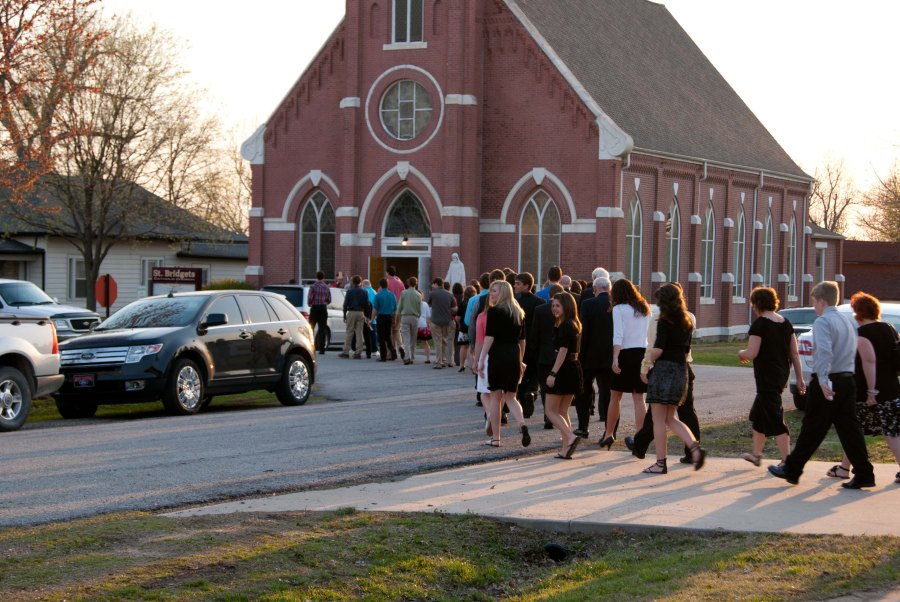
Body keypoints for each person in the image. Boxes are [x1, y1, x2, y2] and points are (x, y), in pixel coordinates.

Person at [769, 281, 875, 488]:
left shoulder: (823, 322)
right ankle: (864, 473)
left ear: (821, 301)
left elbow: (825, 351)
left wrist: (824, 379)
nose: (814, 306)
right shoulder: (847, 322)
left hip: (829, 381)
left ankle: (792, 469)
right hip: (847, 380)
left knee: (813, 427)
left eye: (814, 302)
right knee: (849, 430)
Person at [827, 292, 900, 483]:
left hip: (868, 392)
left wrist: (871, 391)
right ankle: (844, 468)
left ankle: (845, 468)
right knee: (886, 431)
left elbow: (869, 361)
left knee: (856, 431)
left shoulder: (862, 335)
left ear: (858, 313)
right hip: (892, 388)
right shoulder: (889, 329)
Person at [628, 283, 701, 465]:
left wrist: (647, 362)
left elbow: (656, 349)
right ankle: (694, 447)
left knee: (658, 420)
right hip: (681, 370)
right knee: (672, 418)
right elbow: (686, 351)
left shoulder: (662, 321)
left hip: (663, 372)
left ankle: (660, 463)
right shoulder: (687, 321)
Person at [737, 287, 805, 467]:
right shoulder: (786, 323)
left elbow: (752, 353)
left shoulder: (759, 324)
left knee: (775, 418)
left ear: (757, 304)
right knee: (760, 415)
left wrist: (741, 353)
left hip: (766, 378)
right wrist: (800, 378)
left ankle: (787, 461)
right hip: (781, 375)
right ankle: (756, 455)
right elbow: (795, 353)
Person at [477, 280, 530, 447]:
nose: (490, 293)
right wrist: (521, 360)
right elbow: (522, 341)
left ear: (503, 293)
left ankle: (496, 438)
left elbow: (489, 338)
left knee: (495, 397)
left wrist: (481, 360)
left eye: (494, 291)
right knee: (511, 397)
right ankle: (522, 424)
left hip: (498, 355)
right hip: (514, 354)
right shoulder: (518, 312)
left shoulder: (494, 311)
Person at [605, 278, 651, 449]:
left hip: (625, 353)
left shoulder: (618, 309)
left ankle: (609, 433)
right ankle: (640, 436)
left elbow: (618, 335)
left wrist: (615, 357)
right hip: (642, 352)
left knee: (615, 396)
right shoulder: (645, 308)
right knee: (639, 397)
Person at [543, 291, 583, 459]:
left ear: (567, 306)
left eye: (558, 306)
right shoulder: (574, 324)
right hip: (573, 367)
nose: (554, 309)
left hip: (564, 369)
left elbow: (563, 350)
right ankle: (566, 448)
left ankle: (570, 437)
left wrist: (553, 373)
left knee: (550, 411)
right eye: (553, 306)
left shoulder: (566, 325)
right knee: (562, 411)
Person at [576, 276, 612, 439]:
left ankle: (583, 427)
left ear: (595, 289)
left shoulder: (587, 304)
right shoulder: (615, 305)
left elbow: (584, 331)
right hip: (609, 356)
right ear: (609, 289)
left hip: (589, 355)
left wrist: (580, 354)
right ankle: (609, 430)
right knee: (608, 393)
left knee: (584, 392)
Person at [531, 283, 564, 429]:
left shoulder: (540, 310)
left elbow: (535, 333)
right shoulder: (566, 310)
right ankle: (555, 413)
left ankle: (548, 414)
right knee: (559, 385)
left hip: (544, 353)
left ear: (549, 295)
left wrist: (535, 351)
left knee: (545, 386)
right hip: (561, 353)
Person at [514, 272, 544, 418]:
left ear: (527, 285)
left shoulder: (515, 303)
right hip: (534, 343)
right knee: (534, 372)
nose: (515, 286)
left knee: (520, 373)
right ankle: (532, 391)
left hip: (519, 342)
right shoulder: (540, 302)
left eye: (518, 283)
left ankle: (523, 401)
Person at [428, 277, 457, 368]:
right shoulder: (450, 294)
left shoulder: (432, 294)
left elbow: (429, 304)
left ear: (436, 284)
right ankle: (443, 360)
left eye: (433, 284)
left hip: (435, 321)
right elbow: (455, 308)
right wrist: (448, 310)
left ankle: (439, 362)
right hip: (446, 321)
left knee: (438, 341)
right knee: (444, 341)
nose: (432, 286)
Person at [340, 275, 370, 359]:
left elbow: (345, 304)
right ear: (360, 282)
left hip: (351, 312)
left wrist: (344, 315)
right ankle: (358, 352)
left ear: (353, 282)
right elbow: (367, 305)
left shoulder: (349, 291)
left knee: (349, 332)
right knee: (359, 333)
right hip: (361, 312)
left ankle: (346, 352)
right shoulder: (365, 292)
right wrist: (367, 316)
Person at [398, 277, 422, 365]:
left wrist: (399, 316)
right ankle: (412, 356)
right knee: (413, 338)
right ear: (416, 284)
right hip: (414, 317)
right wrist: (418, 315)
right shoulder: (418, 294)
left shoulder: (403, 293)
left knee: (406, 337)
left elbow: (400, 306)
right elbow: (420, 309)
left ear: (408, 283)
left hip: (405, 316)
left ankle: (407, 356)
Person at [372, 278, 398, 361]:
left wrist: (372, 318)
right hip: (389, 317)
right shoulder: (392, 295)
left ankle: (383, 356)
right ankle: (392, 350)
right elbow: (395, 309)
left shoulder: (378, 295)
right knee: (388, 336)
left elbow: (375, 308)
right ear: (387, 285)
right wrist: (394, 320)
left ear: (380, 285)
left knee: (381, 337)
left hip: (381, 317)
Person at [307, 271, 331, 354]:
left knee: (311, 328)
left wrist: (310, 304)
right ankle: (322, 348)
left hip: (314, 308)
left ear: (316, 277)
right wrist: (324, 303)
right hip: (323, 308)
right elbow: (329, 300)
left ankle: (310, 347)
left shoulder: (313, 286)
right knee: (322, 328)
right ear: (323, 277)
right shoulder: (326, 287)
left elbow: (310, 298)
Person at [386, 266, 407, 359]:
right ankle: (401, 346)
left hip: (389, 310)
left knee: (389, 332)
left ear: (387, 272)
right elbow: (404, 295)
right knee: (397, 330)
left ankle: (391, 352)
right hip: (399, 309)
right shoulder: (400, 283)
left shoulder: (387, 282)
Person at [457, 285, 477, 372]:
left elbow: (458, 317)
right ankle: (472, 365)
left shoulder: (462, 303)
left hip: (464, 326)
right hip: (473, 326)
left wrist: (459, 324)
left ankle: (461, 365)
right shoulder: (476, 302)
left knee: (463, 346)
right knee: (471, 347)